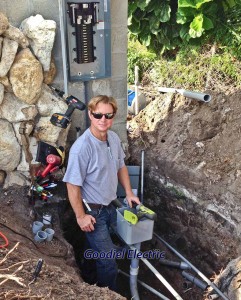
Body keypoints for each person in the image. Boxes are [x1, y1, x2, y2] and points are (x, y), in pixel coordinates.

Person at [63, 95, 140, 291]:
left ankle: (89, 272)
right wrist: (81, 217)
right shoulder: (82, 148)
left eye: (108, 115)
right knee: (108, 263)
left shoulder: (113, 138)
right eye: (98, 115)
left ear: (114, 116)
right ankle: (107, 294)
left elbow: (121, 165)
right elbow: (72, 186)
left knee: (122, 242)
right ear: (90, 114)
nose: (103, 120)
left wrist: (129, 193)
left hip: (111, 205)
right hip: (93, 214)